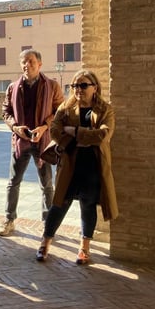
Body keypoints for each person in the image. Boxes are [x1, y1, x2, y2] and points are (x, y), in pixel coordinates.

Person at [35, 70, 117, 264]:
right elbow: (54, 131)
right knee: (59, 204)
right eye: (74, 86)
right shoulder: (66, 107)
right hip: (70, 163)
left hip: (93, 166)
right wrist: (85, 135)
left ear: (94, 87)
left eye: (83, 85)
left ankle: (84, 248)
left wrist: (74, 131)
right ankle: (45, 242)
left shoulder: (105, 110)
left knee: (88, 205)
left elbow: (103, 136)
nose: (77, 89)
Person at [0, 49, 64, 237]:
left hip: (43, 141)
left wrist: (44, 127)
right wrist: (15, 127)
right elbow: (6, 112)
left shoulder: (52, 85)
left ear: (40, 64)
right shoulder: (13, 87)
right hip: (20, 142)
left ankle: (47, 223)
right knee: (13, 182)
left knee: (47, 184)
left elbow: (60, 110)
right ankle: (9, 220)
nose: (27, 65)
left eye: (31, 61)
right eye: (24, 62)